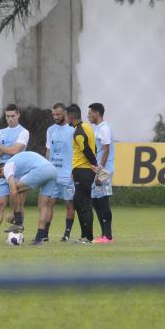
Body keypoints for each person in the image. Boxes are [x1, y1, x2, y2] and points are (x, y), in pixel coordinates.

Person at [0, 151, 59, 246]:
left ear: (1, 169)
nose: (6, 178)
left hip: (42, 170)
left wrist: (12, 212)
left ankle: (18, 222)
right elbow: (21, 191)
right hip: (53, 170)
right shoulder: (17, 165)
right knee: (44, 205)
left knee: (15, 188)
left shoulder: (7, 167)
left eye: (3, 176)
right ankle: (39, 238)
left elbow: (14, 191)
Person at [0, 103, 29, 242]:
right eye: (7, 116)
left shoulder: (23, 132)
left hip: (18, 172)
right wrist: (8, 149)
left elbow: (15, 151)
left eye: (13, 116)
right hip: (2, 172)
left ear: (18, 115)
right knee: (0, 204)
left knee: (18, 203)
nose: (10, 119)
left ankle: (17, 233)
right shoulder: (1, 132)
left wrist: (2, 148)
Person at [66, 104, 98, 245]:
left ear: (71, 116)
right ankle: (84, 235)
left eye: (67, 116)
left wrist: (95, 165)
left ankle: (88, 238)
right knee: (78, 204)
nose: (66, 118)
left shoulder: (78, 131)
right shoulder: (87, 127)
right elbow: (94, 147)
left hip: (83, 171)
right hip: (82, 170)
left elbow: (86, 149)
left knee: (84, 204)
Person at [45, 102, 76, 241]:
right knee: (49, 203)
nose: (55, 117)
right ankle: (44, 234)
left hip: (67, 175)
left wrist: (74, 171)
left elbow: (76, 152)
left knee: (69, 204)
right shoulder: (50, 130)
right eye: (53, 114)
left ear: (65, 113)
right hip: (53, 175)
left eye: (58, 114)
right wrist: (46, 168)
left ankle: (67, 234)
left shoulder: (73, 131)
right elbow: (48, 150)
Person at [88, 102, 114, 243]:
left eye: (90, 113)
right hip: (97, 169)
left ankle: (108, 236)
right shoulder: (97, 129)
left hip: (103, 170)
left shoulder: (104, 128)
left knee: (103, 201)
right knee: (96, 201)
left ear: (97, 113)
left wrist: (100, 169)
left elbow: (106, 149)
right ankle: (104, 235)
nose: (88, 116)